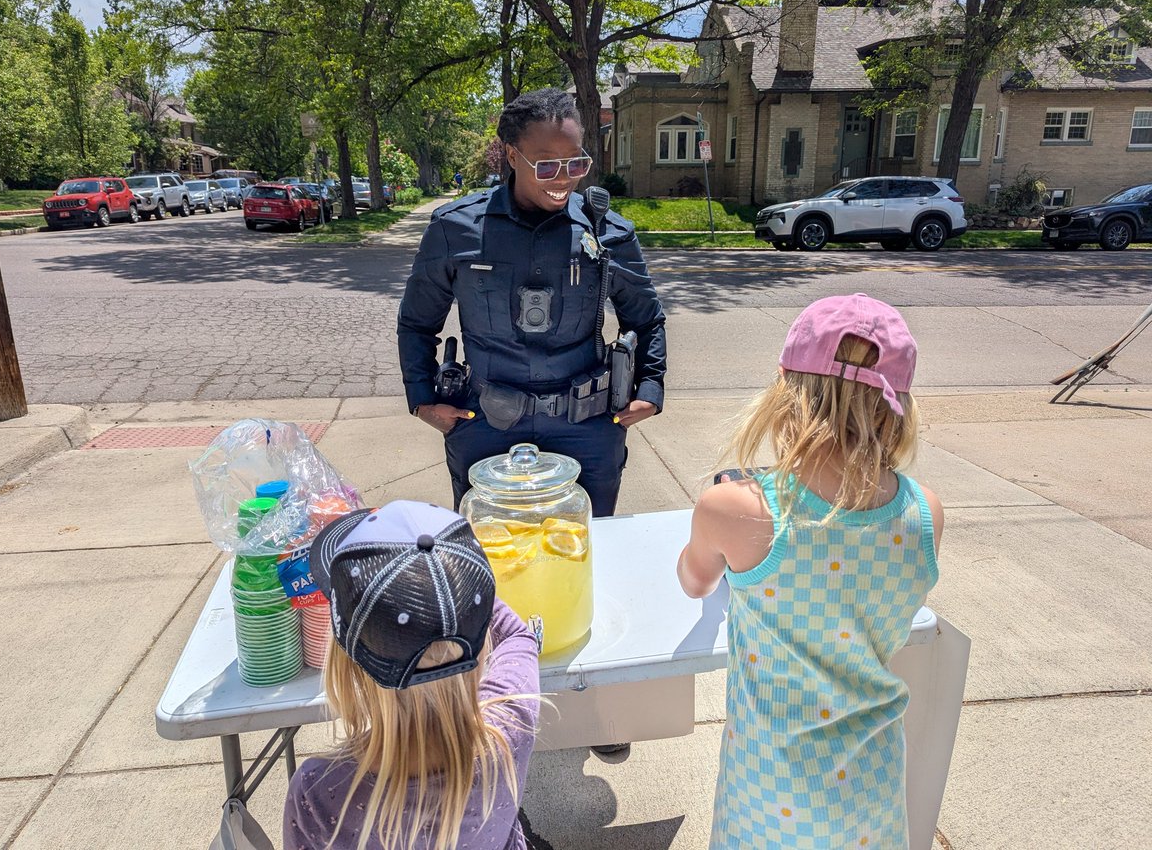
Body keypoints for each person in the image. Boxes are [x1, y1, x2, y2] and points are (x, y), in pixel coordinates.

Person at [677, 294, 944, 849]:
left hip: (769, 785)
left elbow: (694, 580)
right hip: (871, 784)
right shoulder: (924, 512)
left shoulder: (738, 507)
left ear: (786, 390)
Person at [397, 87, 667, 517]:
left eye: (576, 162)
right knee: (491, 557)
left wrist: (650, 388)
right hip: (485, 425)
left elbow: (647, 319)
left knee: (583, 549)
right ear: (511, 156)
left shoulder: (609, 233)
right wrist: (422, 398)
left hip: (588, 429)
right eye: (546, 165)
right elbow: (416, 323)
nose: (563, 179)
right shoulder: (455, 229)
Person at [284, 500, 540, 850]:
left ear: (347, 664)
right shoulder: (510, 729)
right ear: (480, 649)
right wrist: (453, 577)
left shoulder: (317, 790)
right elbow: (517, 636)